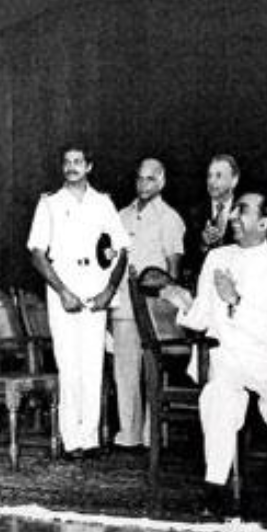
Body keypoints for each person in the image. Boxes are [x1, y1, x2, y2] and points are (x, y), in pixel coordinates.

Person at [166, 192, 267, 513]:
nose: (232, 216)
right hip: (227, 355)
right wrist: (183, 303)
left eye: (241, 211)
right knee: (217, 398)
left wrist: (236, 301)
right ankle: (215, 489)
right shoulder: (216, 258)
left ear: (265, 222)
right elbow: (203, 317)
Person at [28, 145, 130, 459]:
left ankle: (91, 439)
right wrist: (62, 291)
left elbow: (123, 249)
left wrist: (109, 291)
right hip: (63, 289)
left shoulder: (104, 203)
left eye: (78, 162)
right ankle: (72, 440)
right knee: (69, 365)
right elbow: (37, 254)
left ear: (89, 166)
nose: (72, 167)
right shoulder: (49, 203)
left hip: (96, 287)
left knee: (93, 365)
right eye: (67, 162)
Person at [111, 157, 185, 449]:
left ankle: (151, 434)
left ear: (162, 181)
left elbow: (173, 268)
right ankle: (128, 434)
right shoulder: (120, 215)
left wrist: (168, 308)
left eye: (150, 179)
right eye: (140, 178)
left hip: (154, 309)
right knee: (125, 372)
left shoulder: (170, 218)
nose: (144, 184)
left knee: (153, 371)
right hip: (123, 307)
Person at [183, 155, 240, 288]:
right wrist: (203, 244)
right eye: (209, 176)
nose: (211, 182)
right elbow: (186, 259)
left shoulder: (244, 211)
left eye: (218, 176)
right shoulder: (193, 213)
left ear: (234, 180)